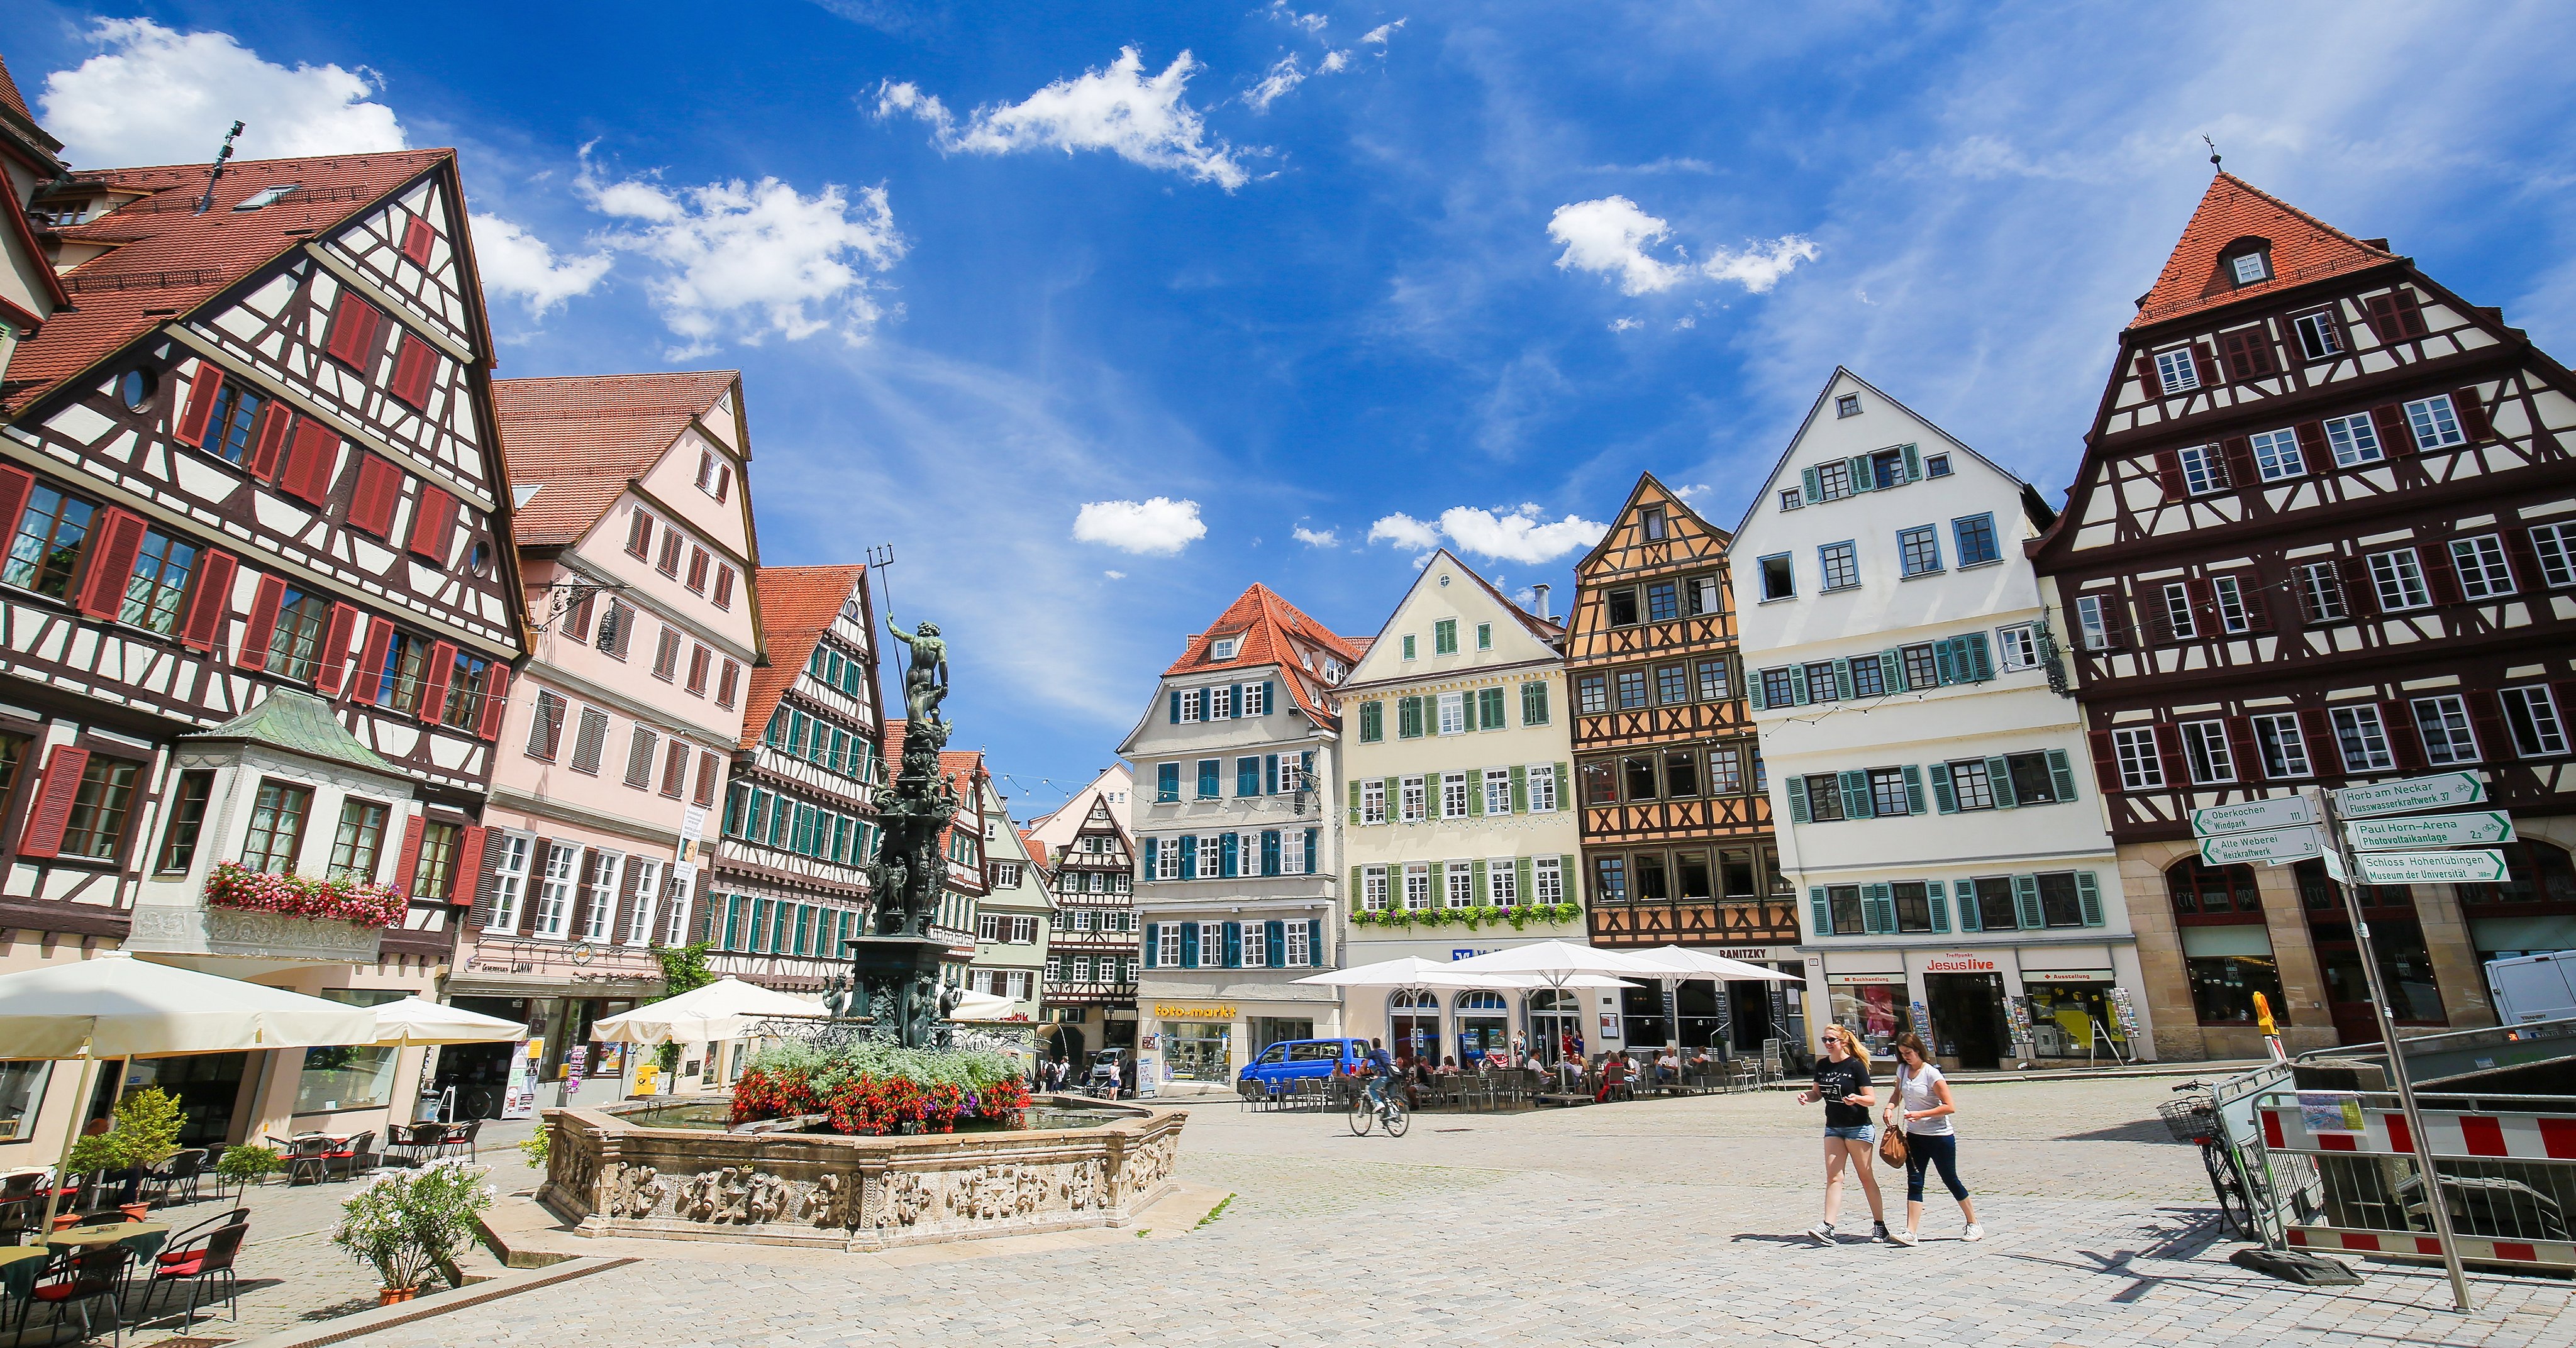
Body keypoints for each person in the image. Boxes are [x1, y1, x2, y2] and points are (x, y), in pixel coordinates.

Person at [1885, 1032, 1981, 1246]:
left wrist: (1921, 1114)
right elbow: (1897, 1093)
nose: (1906, 1057)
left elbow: (1950, 1106)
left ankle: (1973, 1222)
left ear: (1919, 1051)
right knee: (1915, 1180)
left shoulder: (1931, 1074)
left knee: (1950, 1178)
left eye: (1908, 1053)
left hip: (1939, 1137)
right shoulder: (1902, 1070)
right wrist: (1890, 1107)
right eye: (1902, 1054)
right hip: (1915, 1136)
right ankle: (1911, 1232)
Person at [1797, 1024, 1888, 1244]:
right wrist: (1806, 1097)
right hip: (1834, 1127)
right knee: (1834, 1177)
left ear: (1843, 1041)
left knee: (1866, 1178)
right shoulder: (1822, 1065)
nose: (1828, 1044)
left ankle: (1880, 1226)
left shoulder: (1855, 1066)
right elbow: (1817, 1093)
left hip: (1858, 1127)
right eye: (1825, 1040)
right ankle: (1829, 1227)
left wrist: (1856, 1098)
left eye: (1832, 1040)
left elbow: (1871, 1099)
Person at [1361, 1037, 1396, 1116]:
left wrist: (1358, 1074)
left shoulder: (1372, 1053)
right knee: (1388, 1098)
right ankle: (1390, 1116)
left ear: (1373, 1045)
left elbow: (1364, 1064)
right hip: (1391, 1077)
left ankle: (1379, 1103)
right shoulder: (1385, 1052)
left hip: (1384, 1077)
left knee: (1371, 1088)